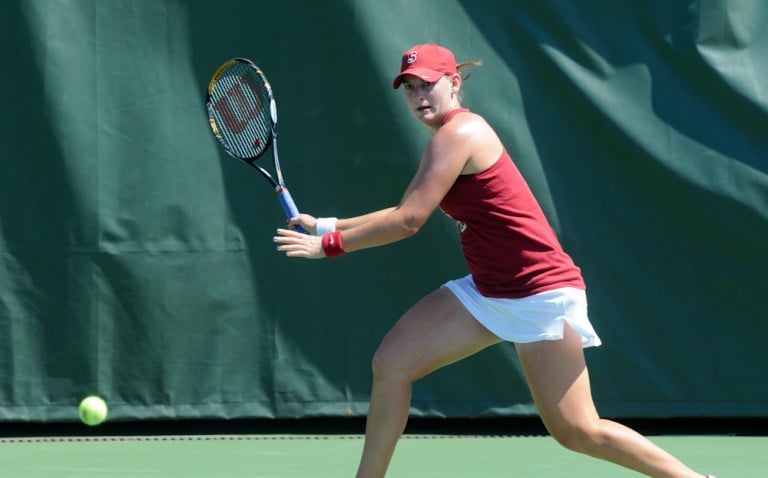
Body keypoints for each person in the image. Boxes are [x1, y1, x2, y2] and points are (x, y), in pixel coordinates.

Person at [274, 43, 715, 478]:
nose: (418, 96)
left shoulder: (460, 133)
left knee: (578, 431)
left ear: (453, 82)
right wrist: (325, 224)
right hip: (488, 290)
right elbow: (402, 207)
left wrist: (329, 246)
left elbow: (408, 221)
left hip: (540, 293)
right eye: (409, 88)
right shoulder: (445, 139)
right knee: (391, 364)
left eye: (427, 84)